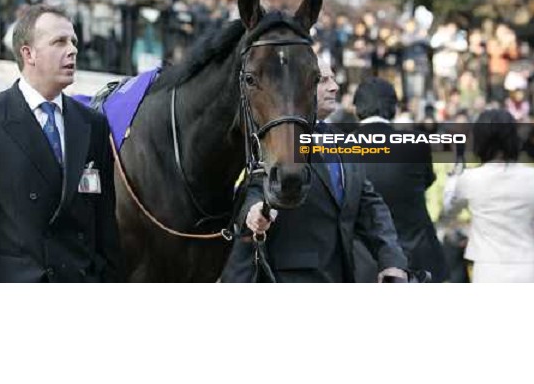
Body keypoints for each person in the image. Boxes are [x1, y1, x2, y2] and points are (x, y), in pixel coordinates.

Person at [0, 4, 122, 282]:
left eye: (73, 41)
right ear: (28, 53)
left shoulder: (92, 124)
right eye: (59, 42)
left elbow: (104, 222)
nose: (72, 50)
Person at [221, 59, 408, 283]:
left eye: (333, 78)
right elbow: (253, 191)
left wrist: (392, 260)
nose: (335, 86)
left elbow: (369, 205)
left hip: (342, 276)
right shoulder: (276, 140)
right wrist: (254, 212)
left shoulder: (342, 140)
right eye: (323, 80)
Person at [351, 77, 448, 282]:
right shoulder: (416, 143)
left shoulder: (342, 148)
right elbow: (426, 182)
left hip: (368, 261)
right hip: (418, 256)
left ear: (356, 108)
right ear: (394, 108)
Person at [443, 109, 534, 283]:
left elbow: (449, 209)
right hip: (528, 265)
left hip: (488, 270)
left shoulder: (468, 179)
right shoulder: (531, 177)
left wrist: (454, 175)